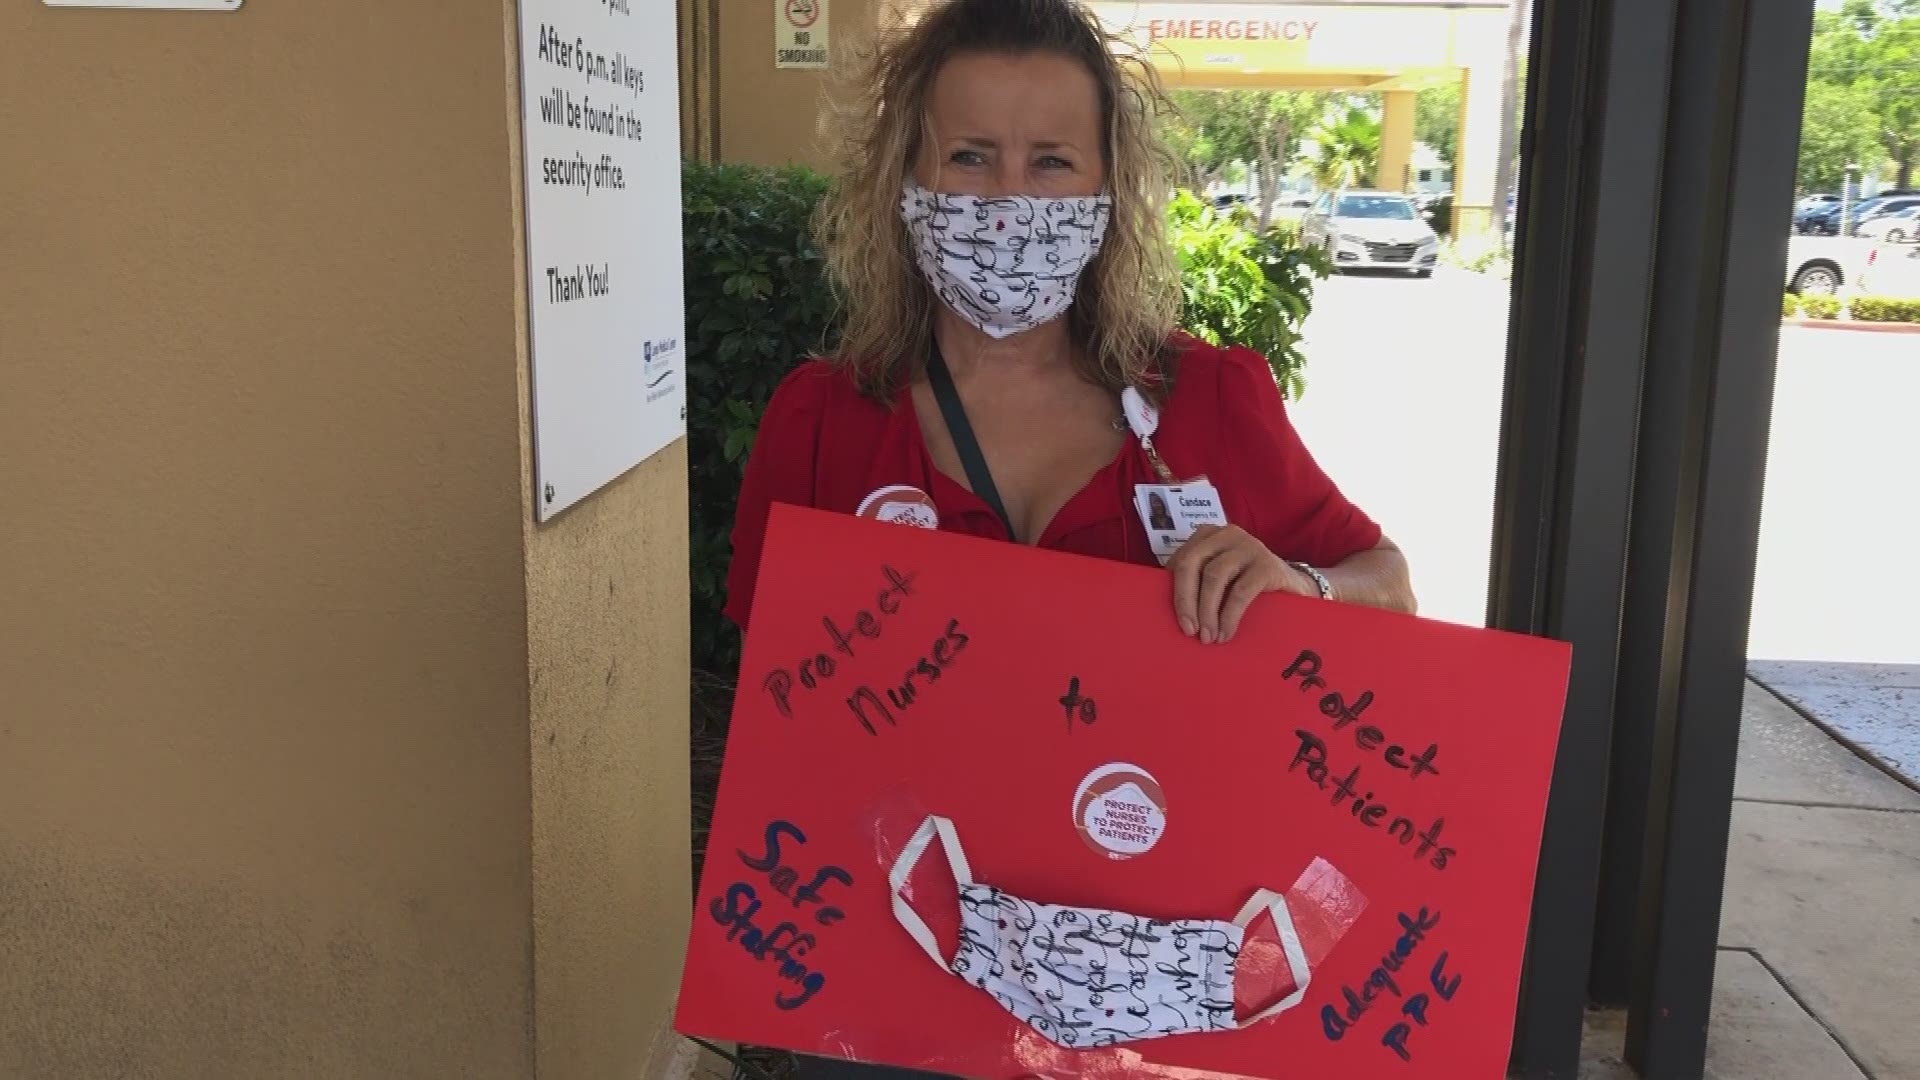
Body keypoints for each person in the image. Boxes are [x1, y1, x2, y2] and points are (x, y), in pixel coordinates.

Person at [724, 1, 1415, 1073]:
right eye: (969, 156)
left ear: (1106, 189)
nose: (1008, 199)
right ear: (902, 182)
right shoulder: (822, 423)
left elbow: (1389, 583)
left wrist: (1303, 589)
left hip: (1163, 1000)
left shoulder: (1210, 404)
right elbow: (780, 720)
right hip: (892, 996)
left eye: (1051, 161)